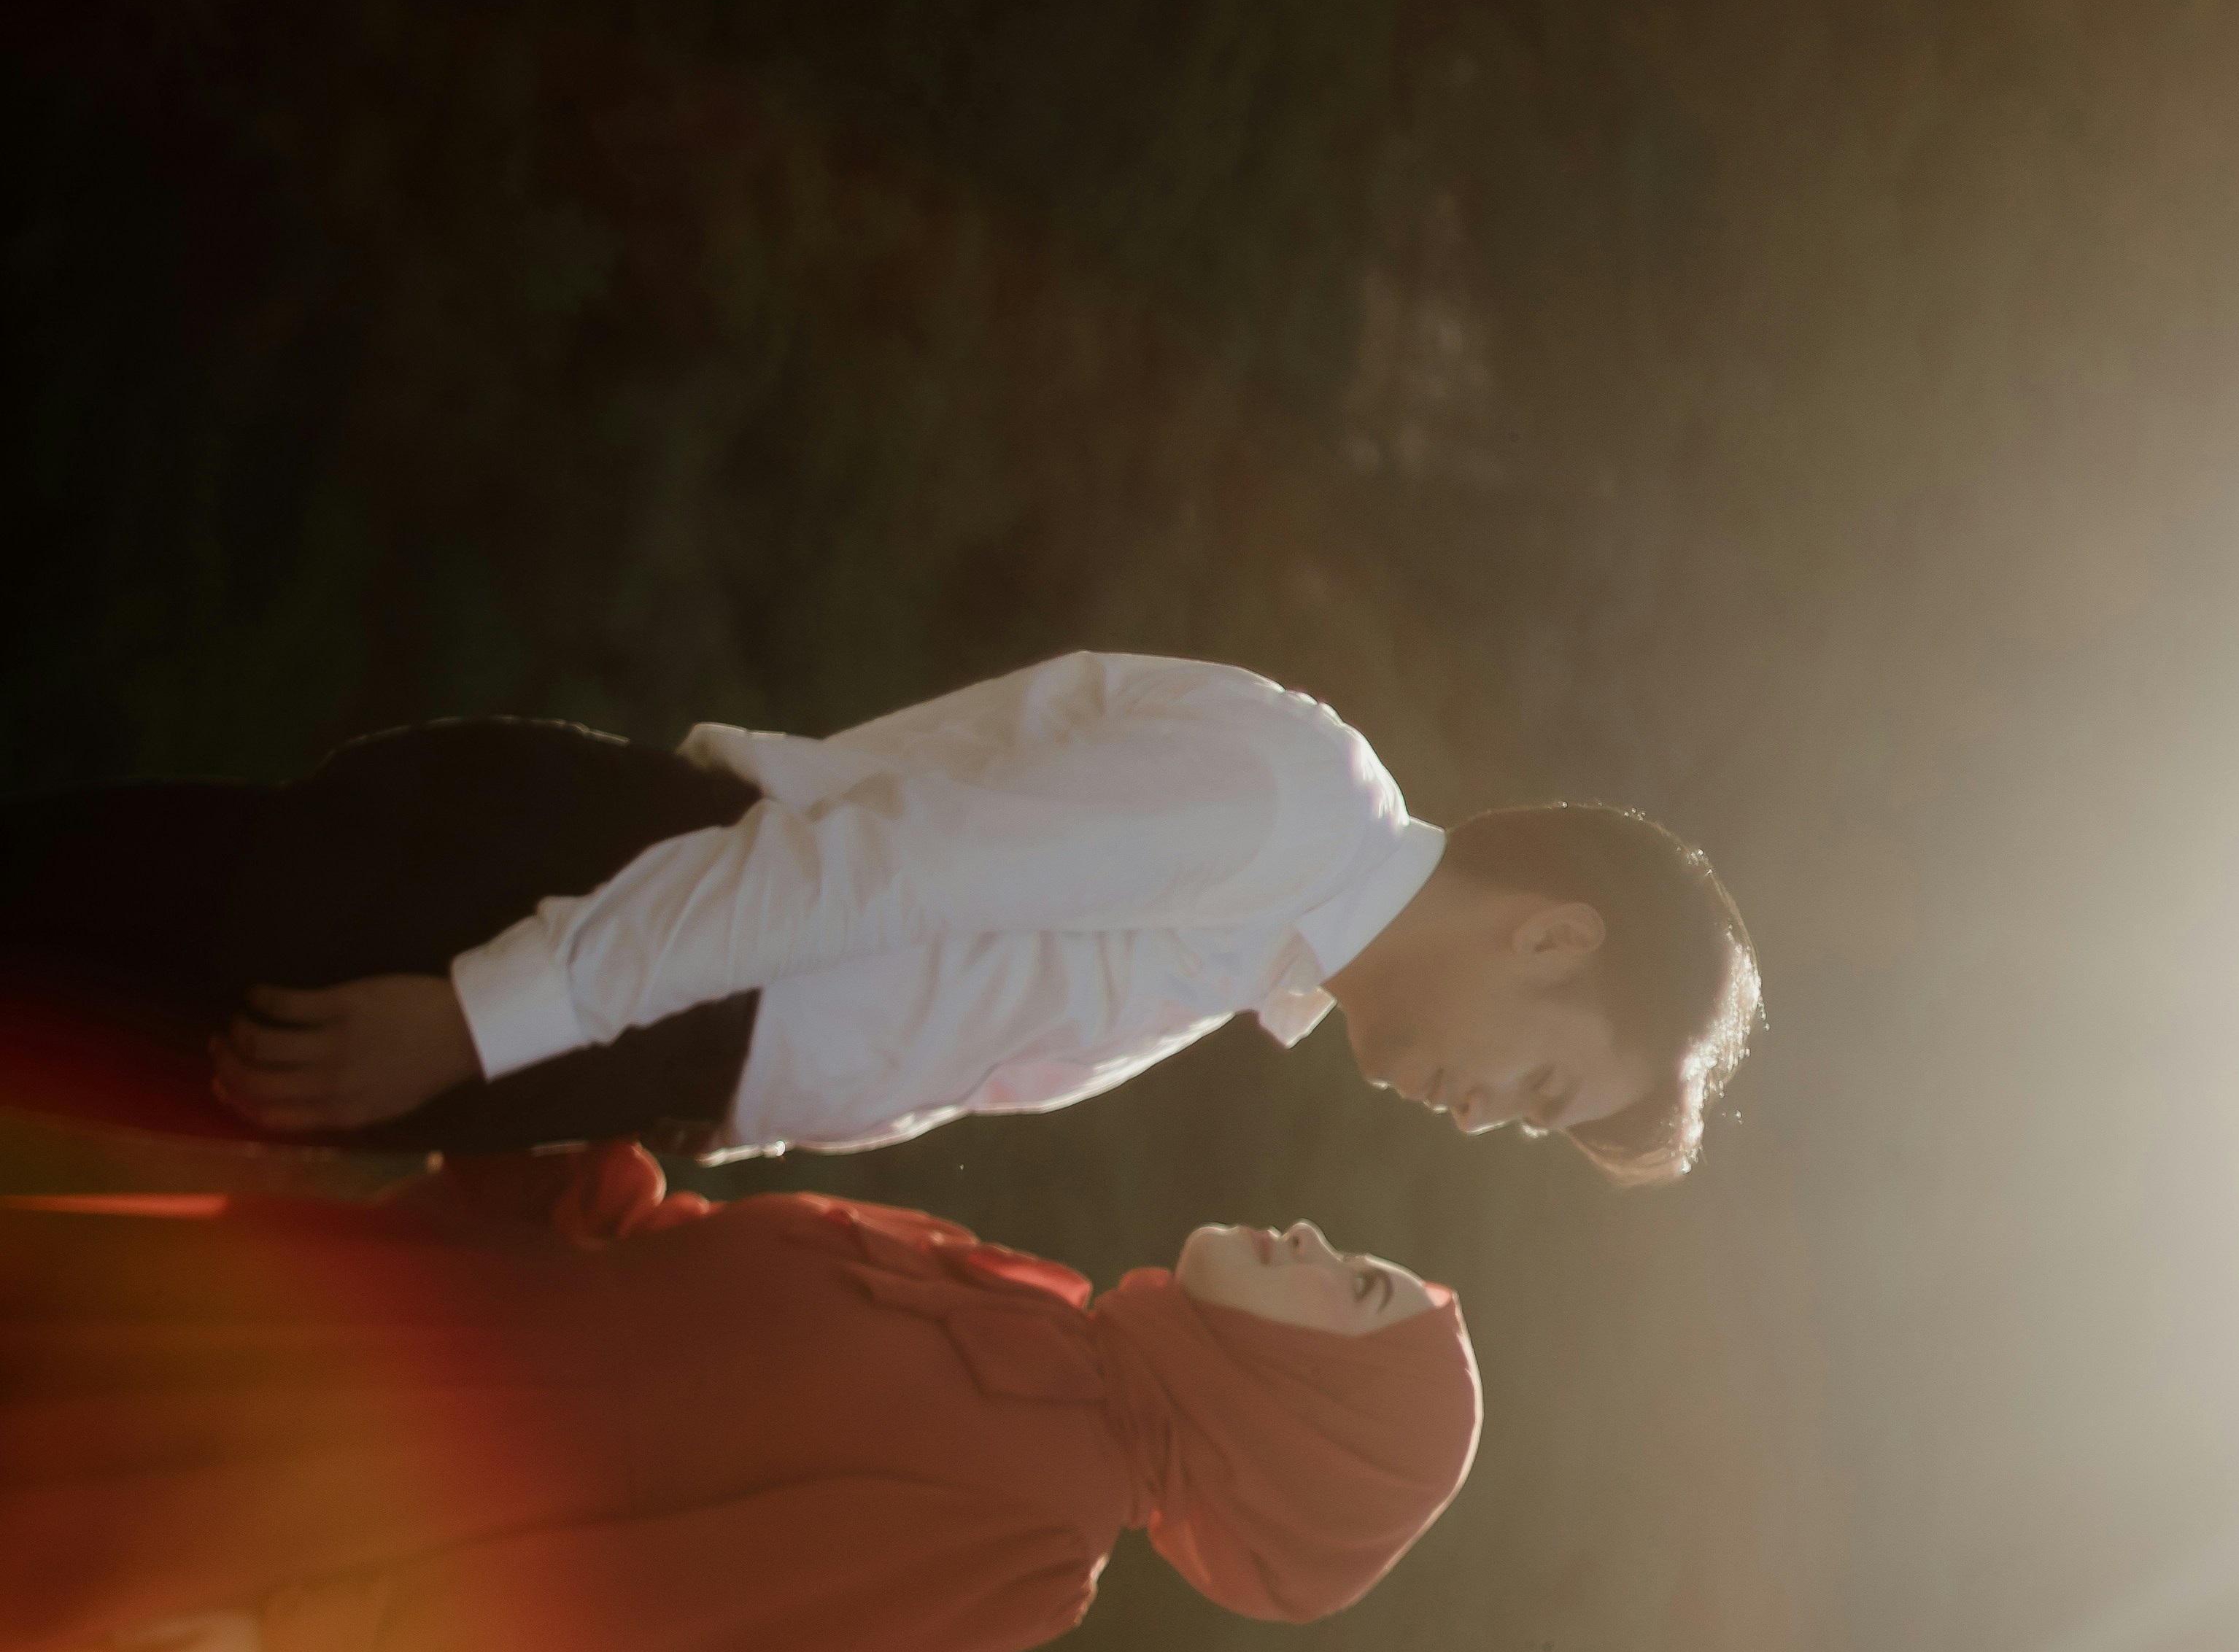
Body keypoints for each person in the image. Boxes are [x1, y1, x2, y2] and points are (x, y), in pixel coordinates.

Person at [0, 1149, 1482, 1652]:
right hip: (327, 1326)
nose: (1311, 1235)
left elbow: (645, 1631)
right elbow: (669, 1262)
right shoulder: (1033, 1294)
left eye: (1349, 1287)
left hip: (324, 1506)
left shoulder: (1037, 1548)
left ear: (1313, 1419)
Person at [0, 652, 1758, 1186]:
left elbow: (887, 1032)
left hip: (613, 1020)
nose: (1482, 1120)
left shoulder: (1255, 952)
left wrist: (641, 1130)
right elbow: (865, 874)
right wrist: (480, 1014)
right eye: (1540, 1093)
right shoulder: (1286, 809)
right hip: (565, 915)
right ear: (1553, 941)